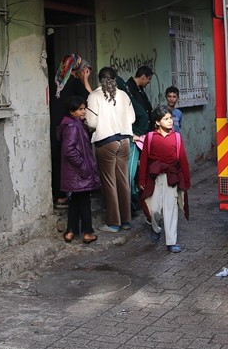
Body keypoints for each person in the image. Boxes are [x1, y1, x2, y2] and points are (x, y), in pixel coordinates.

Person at [84, 66, 135, 232]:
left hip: (106, 142)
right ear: (115, 78)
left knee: (109, 183)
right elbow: (132, 118)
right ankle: (126, 220)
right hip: (125, 142)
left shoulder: (94, 96)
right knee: (123, 181)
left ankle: (114, 223)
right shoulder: (124, 95)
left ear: (99, 79)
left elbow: (91, 122)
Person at [138, 104, 191, 253]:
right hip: (154, 178)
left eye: (170, 118)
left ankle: (171, 241)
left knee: (171, 209)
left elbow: (183, 160)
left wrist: (186, 180)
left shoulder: (177, 137)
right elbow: (144, 160)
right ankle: (155, 228)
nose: (170, 121)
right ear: (157, 122)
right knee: (154, 209)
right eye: (166, 119)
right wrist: (142, 179)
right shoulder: (150, 138)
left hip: (171, 178)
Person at [50, 54, 93, 208]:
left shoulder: (56, 81)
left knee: (56, 159)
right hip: (69, 126)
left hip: (55, 125)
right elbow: (90, 99)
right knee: (71, 158)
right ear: (77, 69)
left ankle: (59, 195)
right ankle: (74, 191)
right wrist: (85, 80)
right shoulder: (74, 82)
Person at [57, 95, 98, 244]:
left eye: (84, 108)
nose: (83, 111)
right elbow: (69, 149)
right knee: (84, 202)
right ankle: (88, 232)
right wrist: (83, 165)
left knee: (75, 201)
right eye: (80, 109)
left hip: (76, 172)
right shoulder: (72, 126)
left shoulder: (74, 124)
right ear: (71, 111)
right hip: (79, 172)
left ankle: (70, 231)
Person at [124, 67, 155, 214]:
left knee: (142, 167)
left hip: (143, 134)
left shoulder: (138, 89)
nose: (148, 82)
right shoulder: (129, 89)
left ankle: (140, 197)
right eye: (148, 79)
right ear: (143, 77)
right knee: (133, 169)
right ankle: (133, 200)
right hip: (136, 135)